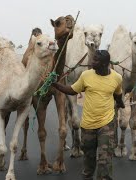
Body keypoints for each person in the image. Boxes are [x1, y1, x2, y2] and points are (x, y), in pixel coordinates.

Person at [52, 49, 124, 180]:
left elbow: (118, 94)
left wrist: (121, 103)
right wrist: (55, 84)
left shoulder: (116, 78)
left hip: (107, 123)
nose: (91, 62)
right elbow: (72, 90)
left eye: (95, 60)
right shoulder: (86, 75)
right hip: (88, 125)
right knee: (88, 160)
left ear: (104, 64)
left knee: (105, 160)